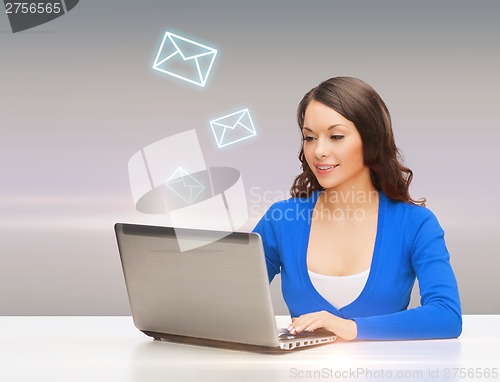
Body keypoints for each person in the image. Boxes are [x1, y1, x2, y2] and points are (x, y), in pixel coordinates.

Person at [252, 77, 462, 341]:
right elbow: (231, 298)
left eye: (336, 136)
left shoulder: (416, 224)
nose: (319, 151)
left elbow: (446, 315)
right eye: (309, 137)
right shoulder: (281, 220)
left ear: (371, 140)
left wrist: (351, 329)